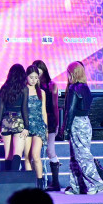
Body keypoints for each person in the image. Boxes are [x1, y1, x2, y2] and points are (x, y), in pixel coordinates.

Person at [60, 60, 103, 195]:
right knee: (76, 155)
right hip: (85, 122)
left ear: (71, 73)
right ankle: (77, 186)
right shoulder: (86, 87)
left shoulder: (73, 88)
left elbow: (71, 110)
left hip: (76, 123)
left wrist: (66, 129)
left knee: (82, 155)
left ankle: (96, 184)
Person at [32, 60, 62, 191]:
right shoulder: (33, 85)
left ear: (43, 70)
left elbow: (55, 105)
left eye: (39, 70)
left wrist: (57, 123)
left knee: (50, 150)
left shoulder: (52, 85)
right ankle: (37, 182)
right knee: (35, 152)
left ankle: (55, 182)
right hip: (36, 120)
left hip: (49, 119)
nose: (37, 73)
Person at [0, 64, 29, 171]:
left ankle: (7, 179)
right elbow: (24, 109)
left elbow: (0, 108)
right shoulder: (24, 88)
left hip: (6, 121)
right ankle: (13, 178)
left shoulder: (4, 88)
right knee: (17, 153)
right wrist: (27, 126)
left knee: (8, 154)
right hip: (18, 120)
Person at [24, 63, 48, 189]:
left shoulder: (41, 92)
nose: (33, 80)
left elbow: (43, 111)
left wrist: (46, 129)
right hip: (26, 127)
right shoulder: (23, 91)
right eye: (31, 77)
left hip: (38, 126)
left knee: (35, 155)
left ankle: (40, 184)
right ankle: (30, 185)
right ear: (26, 77)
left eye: (36, 78)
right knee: (27, 157)